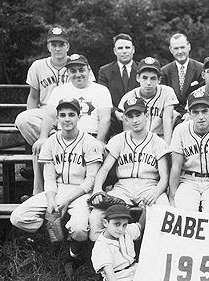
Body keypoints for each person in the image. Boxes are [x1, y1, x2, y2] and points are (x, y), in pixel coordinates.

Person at [10, 98, 103, 274]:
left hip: (81, 192)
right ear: (57, 118)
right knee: (18, 217)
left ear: (78, 117)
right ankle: (52, 230)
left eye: (71, 114)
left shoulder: (89, 142)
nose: (67, 119)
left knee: (79, 229)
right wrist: (51, 199)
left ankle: (73, 255)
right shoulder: (51, 142)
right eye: (62, 115)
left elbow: (91, 180)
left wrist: (67, 200)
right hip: (57, 189)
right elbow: (50, 177)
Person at [15, 26, 96, 190]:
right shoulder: (38, 66)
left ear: (67, 46)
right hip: (47, 111)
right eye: (54, 44)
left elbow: (90, 89)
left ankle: (53, 143)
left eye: (61, 44)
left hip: (72, 112)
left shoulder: (77, 64)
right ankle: (53, 139)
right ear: (48, 46)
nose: (57, 48)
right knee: (22, 119)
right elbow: (33, 96)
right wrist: (41, 128)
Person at [88, 97, 171, 241]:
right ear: (125, 119)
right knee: (96, 216)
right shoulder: (119, 139)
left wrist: (155, 193)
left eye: (138, 115)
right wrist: (97, 189)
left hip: (149, 186)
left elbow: (165, 177)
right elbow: (104, 169)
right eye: (130, 116)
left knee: (163, 209)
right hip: (123, 187)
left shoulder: (157, 142)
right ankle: (104, 252)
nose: (135, 120)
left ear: (146, 115)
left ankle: (151, 249)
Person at [30, 54, 111, 198]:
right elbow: (49, 116)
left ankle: (94, 191)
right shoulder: (60, 90)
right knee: (39, 147)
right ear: (68, 73)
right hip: (63, 136)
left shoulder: (100, 90)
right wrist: (42, 137)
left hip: (89, 137)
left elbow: (105, 119)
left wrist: (100, 140)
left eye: (81, 70)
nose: (77, 74)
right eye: (73, 71)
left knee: (98, 151)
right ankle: (38, 193)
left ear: (88, 70)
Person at [169, 91, 209, 213]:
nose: (201, 116)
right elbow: (176, 166)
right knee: (185, 211)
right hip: (188, 180)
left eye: (204, 111)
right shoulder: (180, 130)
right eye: (196, 112)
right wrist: (172, 196)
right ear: (189, 114)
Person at [91, 204, 146, 281]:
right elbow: (109, 272)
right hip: (117, 277)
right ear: (105, 223)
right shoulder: (102, 245)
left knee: (155, 277)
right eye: (117, 224)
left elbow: (140, 225)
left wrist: (145, 209)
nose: (121, 229)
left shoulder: (126, 231)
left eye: (124, 225)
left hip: (135, 269)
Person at [118, 57, 178, 144]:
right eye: (144, 78)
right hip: (137, 140)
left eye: (153, 78)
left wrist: (167, 146)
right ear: (138, 78)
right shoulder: (128, 97)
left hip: (159, 139)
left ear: (159, 80)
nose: (148, 82)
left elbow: (167, 120)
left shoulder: (167, 92)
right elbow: (127, 130)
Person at [98, 33, 139, 137]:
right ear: (115, 51)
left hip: (138, 119)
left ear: (133, 49)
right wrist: (115, 112)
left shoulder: (142, 71)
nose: (124, 51)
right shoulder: (105, 71)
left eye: (127, 47)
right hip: (113, 122)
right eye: (120, 48)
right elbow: (102, 98)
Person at [161, 33, 204, 128]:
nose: (180, 51)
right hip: (172, 117)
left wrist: (191, 112)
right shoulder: (164, 72)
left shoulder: (201, 69)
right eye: (176, 48)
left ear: (189, 46)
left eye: (182, 47)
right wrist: (172, 112)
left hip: (195, 117)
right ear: (171, 50)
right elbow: (163, 98)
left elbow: (204, 95)